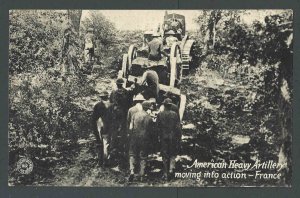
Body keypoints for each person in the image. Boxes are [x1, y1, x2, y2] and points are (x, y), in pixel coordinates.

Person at [157, 98, 181, 181]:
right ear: (170, 106)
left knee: (164, 155)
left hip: (163, 137)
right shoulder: (174, 114)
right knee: (172, 154)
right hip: (173, 137)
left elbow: (158, 127)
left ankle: (165, 173)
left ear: (164, 105)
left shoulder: (160, 114)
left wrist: (158, 137)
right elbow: (178, 127)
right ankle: (171, 170)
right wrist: (179, 137)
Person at [128, 101, 153, 182]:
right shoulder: (148, 117)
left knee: (132, 154)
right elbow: (151, 130)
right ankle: (142, 174)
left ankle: (132, 171)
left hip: (134, 137)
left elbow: (131, 128)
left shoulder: (135, 115)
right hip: (144, 138)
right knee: (143, 156)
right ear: (148, 108)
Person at [109, 78, 130, 167]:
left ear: (117, 84)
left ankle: (113, 148)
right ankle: (122, 148)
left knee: (114, 130)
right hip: (124, 113)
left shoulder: (113, 92)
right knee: (123, 130)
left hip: (115, 113)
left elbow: (110, 102)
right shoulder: (126, 92)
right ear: (122, 84)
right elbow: (129, 103)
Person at [91, 91, 111, 167]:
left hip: (99, 125)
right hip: (107, 126)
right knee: (106, 143)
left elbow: (93, 118)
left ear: (101, 97)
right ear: (107, 97)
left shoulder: (97, 105)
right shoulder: (110, 105)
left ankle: (100, 161)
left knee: (99, 143)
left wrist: (94, 128)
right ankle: (106, 160)